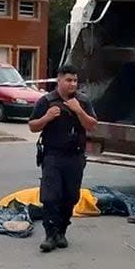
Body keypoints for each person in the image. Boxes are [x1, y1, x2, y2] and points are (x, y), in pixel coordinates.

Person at [28, 64, 97, 253]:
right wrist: (47, 118)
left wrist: (78, 111)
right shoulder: (47, 101)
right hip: (53, 155)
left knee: (71, 197)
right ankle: (50, 234)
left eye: (75, 80)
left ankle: (61, 231)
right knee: (50, 196)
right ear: (59, 80)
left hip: (75, 156)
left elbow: (92, 125)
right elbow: (33, 126)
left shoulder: (82, 102)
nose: (72, 84)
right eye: (68, 80)